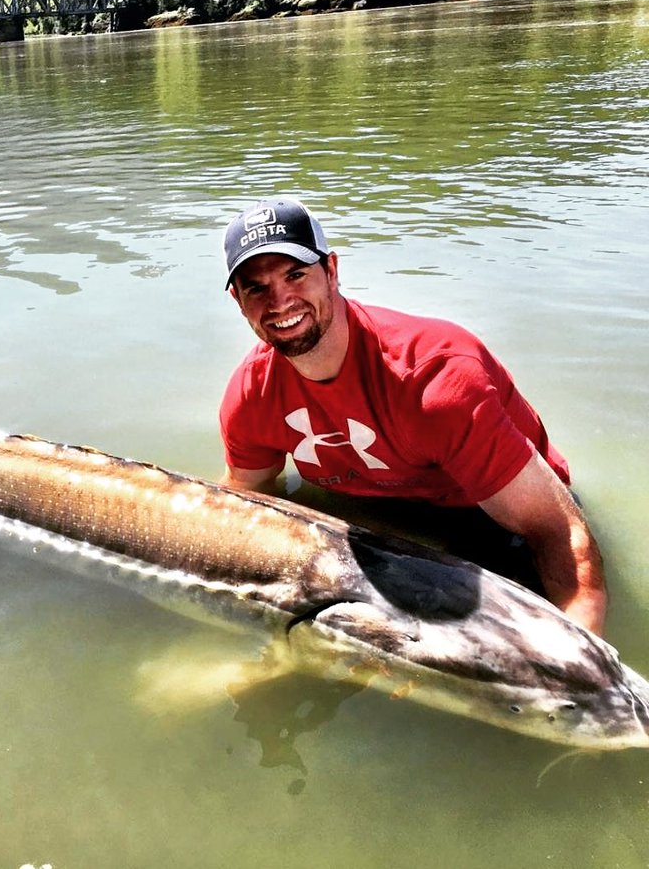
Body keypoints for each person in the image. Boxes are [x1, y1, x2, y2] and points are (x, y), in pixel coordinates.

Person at [217, 196, 606, 635]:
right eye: (256, 287)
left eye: (296, 275)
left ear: (332, 271)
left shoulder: (436, 378)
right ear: (238, 299)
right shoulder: (250, 396)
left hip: (489, 516)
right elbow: (246, 500)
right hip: (369, 518)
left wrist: (586, 661)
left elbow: (556, 530)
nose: (280, 301)